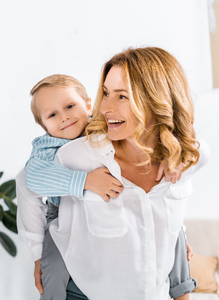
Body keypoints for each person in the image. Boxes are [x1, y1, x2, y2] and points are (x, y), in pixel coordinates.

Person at [17, 47, 209, 299]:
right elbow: (29, 182)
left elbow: (196, 151)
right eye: (106, 94)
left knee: (178, 238)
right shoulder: (66, 153)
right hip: (77, 265)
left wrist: (175, 154)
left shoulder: (188, 156)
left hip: (151, 287)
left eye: (121, 96)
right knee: (51, 273)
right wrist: (37, 254)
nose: (105, 107)